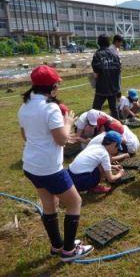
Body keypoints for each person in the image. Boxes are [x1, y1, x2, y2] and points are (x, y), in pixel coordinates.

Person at [18, 65, 93, 261]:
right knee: (75, 202)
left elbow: (27, 136)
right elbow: (60, 140)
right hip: (49, 168)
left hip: (31, 166)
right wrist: (67, 123)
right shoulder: (50, 107)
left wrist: (63, 136)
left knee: (49, 204)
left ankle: (57, 245)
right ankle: (69, 251)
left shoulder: (25, 106)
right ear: (52, 87)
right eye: (56, 85)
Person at [91, 34, 121, 119]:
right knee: (114, 109)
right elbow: (119, 70)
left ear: (98, 43)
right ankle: (118, 127)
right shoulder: (115, 55)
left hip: (102, 88)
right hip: (113, 87)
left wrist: (93, 82)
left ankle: (94, 127)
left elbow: (96, 73)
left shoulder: (97, 55)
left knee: (95, 110)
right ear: (109, 43)